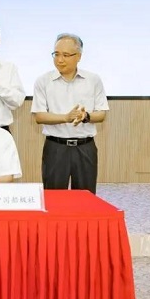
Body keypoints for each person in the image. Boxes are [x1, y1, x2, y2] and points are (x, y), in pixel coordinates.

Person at [31, 33, 109, 194]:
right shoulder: (43, 81)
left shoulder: (93, 80)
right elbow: (39, 116)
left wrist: (86, 116)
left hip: (85, 147)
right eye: (56, 54)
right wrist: (65, 118)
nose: (60, 60)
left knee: (85, 198)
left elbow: (101, 114)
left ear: (78, 56)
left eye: (66, 55)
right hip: (56, 148)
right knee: (54, 197)